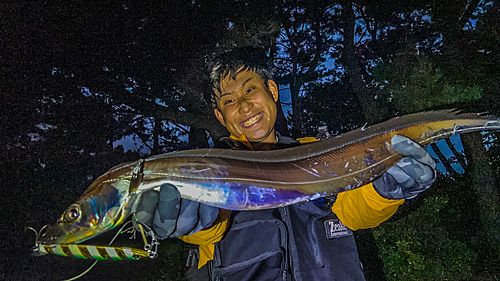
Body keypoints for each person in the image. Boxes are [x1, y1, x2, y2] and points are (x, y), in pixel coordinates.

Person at [135, 48, 437, 281]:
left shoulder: (317, 151)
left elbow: (353, 211)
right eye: (228, 101)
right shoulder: (210, 168)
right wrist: (192, 221)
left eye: (250, 90)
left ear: (273, 91)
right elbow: (207, 233)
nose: (242, 106)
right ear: (220, 117)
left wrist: (385, 192)